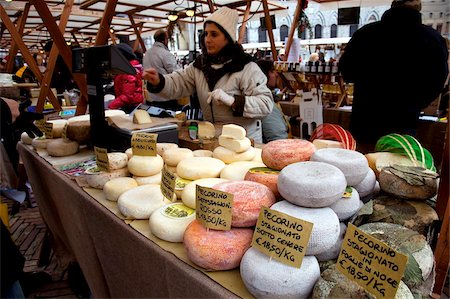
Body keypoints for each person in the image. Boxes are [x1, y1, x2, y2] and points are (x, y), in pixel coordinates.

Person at [144, 7, 273, 143]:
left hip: (244, 142)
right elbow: (178, 82)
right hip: (212, 140)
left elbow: (265, 104)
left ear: (228, 37)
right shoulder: (199, 66)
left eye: (214, 34)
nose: (207, 39)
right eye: (205, 34)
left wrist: (233, 101)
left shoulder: (246, 67)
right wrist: (159, 81)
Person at [339, 0, 449, 153]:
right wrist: (416, 103)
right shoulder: (433, 39)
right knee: (395, 172)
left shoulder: (365, 34)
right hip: (403, 124)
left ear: (392, 6)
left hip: (364, 122)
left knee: (359, 170)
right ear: (419, 9)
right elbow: (437, 82)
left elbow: (347, 72)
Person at [143, 29, 181, 110]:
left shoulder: (147, 53)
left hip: (151, 96)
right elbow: (176, 73)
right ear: (165, 40)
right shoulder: (165, 53)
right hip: (165, 97)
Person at [256, 59, 290, 142]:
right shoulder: (266, 104)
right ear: (263, 75)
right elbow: (279, 140)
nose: (276, 74)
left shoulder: (266, 98)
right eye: (272, 71)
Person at [107, 43, 144, 113]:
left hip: (132, 108)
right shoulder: (127, 69)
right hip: (130, 106)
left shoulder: (129, 71)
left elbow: (128, 96)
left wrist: (111, 106)